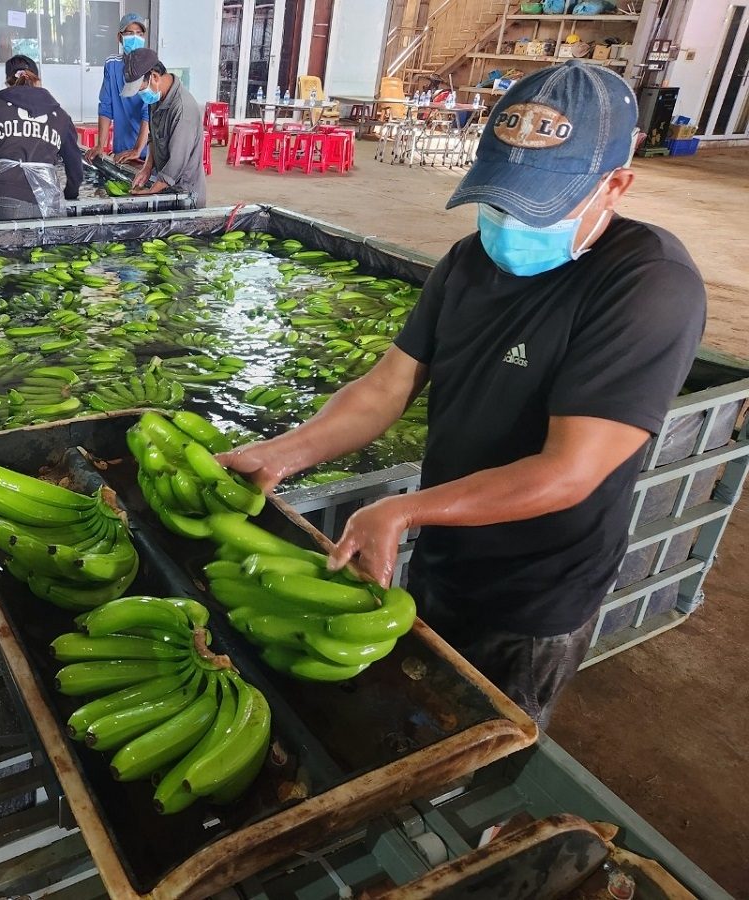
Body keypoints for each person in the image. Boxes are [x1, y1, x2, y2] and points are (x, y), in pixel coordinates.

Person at [220, 61, 706, 728]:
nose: (508, 223)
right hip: (444, 550)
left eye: (538, 206)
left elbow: (571, 470)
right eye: (499, 198)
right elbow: (387, 386)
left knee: (485, 739)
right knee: (410, 712)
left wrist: (404, 509)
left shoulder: (649, 285)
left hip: (535, 595)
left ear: (615, 185)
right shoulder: (469, 262)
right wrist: (283, 453)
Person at [0, 55, 83, 221]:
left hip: (7, 193)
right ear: (37, 80)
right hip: (48, 197)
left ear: (8, 82)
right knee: (47, 247)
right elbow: (74, 163)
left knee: (7, 245)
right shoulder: (61, 115)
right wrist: (71, 193)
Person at [122, 49, 206, 208]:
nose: (141, 95)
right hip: (164, 184)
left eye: (140, 89)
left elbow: (176, 163)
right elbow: (153, 137)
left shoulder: (182, 109)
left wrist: (150, 193)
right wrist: (147, 168)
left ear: (154, 77)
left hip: (185, 194)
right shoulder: (156, 98)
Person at [86, 13, 151, 166]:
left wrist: (137, 150)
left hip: (147, 152)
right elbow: (106, 106)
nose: (135, 37)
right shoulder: (112, 65)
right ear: (119, 37)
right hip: (121, 148)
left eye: (139, 34)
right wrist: (100, 146)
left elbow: (148, 113)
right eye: (129, 33)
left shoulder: (151, 66)